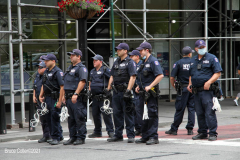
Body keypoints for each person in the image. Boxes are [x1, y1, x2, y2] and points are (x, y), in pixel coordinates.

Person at [187, 40, 222, 141]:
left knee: (209, 112)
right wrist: (190, 84)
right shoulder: (193, 60)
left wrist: (209, 82)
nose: (202, 49)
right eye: (200, 47)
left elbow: (217, 73)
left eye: (203, 47)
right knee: (199, 112)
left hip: (207, 91)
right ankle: (202, 132)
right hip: (196, 91)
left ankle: (212, 133)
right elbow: (191, 74)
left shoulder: (212, 58)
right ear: (196, 49)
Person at [106, 43, 137, 143]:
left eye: (119, 49)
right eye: (117, 49)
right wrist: (108, 89)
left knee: (128, 113)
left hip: (125, 91)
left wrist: (128, 90)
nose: (117, 51)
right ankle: (118, 135)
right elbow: (112, 76)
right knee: (116, 114)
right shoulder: (116, 62)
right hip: (116, 92)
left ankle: (131, 135)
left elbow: (133, 77)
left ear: (125, 51)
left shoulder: (130, 62)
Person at [135, 42, 164, 145]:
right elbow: (141, 77)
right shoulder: (143, 62)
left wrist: (150, 86)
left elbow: (160, 75)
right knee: (143, 115)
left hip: (150, 93)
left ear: (147, 50)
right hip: (143, 93)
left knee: (152, 114)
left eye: (141, 50)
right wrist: (138, 86)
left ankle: (153, 136)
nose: (139, 52)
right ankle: (145, 135)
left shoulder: (153, 61)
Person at [165, 46, 195, 135]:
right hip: (192, 89)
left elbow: (172, 77)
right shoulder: (193, 62)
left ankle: (174, 129)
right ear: (189, 54)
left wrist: (174, 86)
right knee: (191, 109)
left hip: (182, 89)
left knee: (179, 109)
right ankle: (190, 129)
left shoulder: (178, 63)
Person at [62, 49, 88, 145]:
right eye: (70, 55)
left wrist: (76, 94)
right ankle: (72, 137)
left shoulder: (81, 68)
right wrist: (64, 96)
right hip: (69, 97)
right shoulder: (69, 68)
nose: (71, 57)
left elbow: (82, 81)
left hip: (77, 97)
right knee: (71, 119)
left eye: (73, 55)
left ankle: (81, 137)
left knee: (79, 117)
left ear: (78, 56)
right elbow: (66, 82)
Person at [39, 54, 64, 145]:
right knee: (48, 117)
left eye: (47, 60)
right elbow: (43, 84)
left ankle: (56, 137)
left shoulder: (58, 72)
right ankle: (58, 136)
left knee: (54, 117)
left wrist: (60, 101)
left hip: (55, 98)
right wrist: (41, 95)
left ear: (53, 61)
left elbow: (62, 87)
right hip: (47, 98)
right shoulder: (46, 71)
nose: (45, 62)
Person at [88, 54, 114, 138]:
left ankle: (110, 131)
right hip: (95, 97)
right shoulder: (92, 71)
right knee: (95, 115)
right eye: (93, 60)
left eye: (96, 60)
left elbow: (111, 78)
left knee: (106, 115)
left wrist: (108, 88)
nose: (94, 62)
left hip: (103, 97)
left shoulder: (105, 69)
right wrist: (89, 89)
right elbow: (90, 81)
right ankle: (97, 131)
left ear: (100, 61)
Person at [33, 61, 50, 143]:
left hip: (45, 99)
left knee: (48, 118)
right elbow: (34, 86)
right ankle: (45, 135)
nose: (38, 69)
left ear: (45, 68)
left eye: (40, 67)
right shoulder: (37, 76)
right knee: (42, 119)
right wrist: (34, 96)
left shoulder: (46, 76)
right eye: (38, 67)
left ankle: (51, 135)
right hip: (38, 99)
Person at [129, 50, 143, 136]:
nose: (130, 58)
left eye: (132, 56)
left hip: (140, 90)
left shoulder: (141, 64)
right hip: (133, 90)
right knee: (134, 110)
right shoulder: (132, 65)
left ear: (137, 56)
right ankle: (137, 128)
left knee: (139, 110)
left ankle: (142, 128)